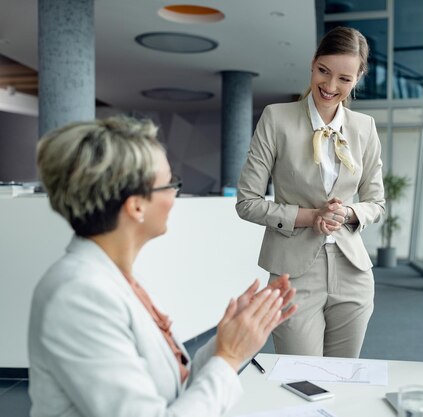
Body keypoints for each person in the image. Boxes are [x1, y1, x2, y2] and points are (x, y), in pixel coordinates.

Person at [28, 116, 297, 417]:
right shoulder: (77, 296)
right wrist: (229, 356)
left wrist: (226, 341)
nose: (174, 194)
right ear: (136, 206)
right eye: (169, 184)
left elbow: (172, 392)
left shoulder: (112, 278)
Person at [236, 26, 385, 358]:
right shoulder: (276, 118)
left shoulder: (364, 128)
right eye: (323, 71)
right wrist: (309, 217)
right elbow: (247, 203)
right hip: (293, 272)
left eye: (344, 79)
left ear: (358, 78)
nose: (330, 87)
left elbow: (376, 203)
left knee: (344, 378)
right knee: (301, 379)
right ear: (313, 63)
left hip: (353, 272)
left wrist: (347, 212)